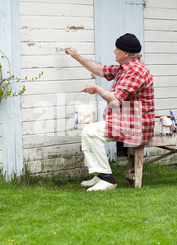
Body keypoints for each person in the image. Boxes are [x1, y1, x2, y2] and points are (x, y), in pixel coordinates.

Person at [65, 33, 155, 191]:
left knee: (91, 131)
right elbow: (100, 70)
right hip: (130, 122)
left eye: (117, 49)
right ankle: (100, 175)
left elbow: (115, 100)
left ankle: (107, 179)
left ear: (126, 53)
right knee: (90, 131)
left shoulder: (135, 71)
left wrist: (97, 89)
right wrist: (75, 56)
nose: (114, 51)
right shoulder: (125, 67)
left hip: (137, 127)